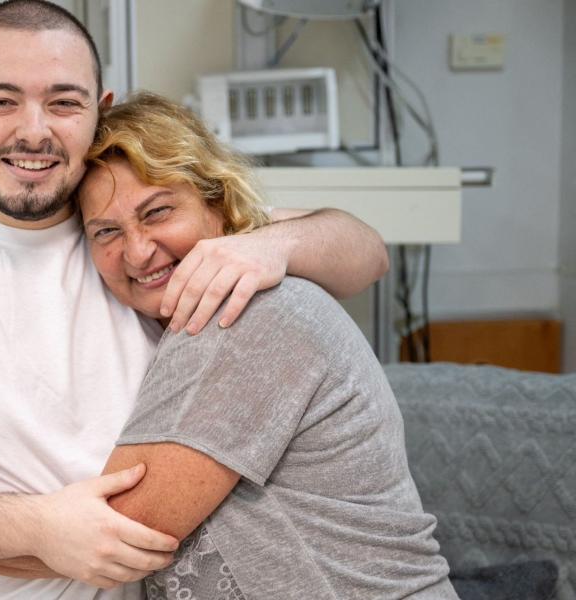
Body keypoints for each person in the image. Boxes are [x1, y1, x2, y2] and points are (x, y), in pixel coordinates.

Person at [0, 2, 389, 599]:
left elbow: (364, 250)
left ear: (97, 113)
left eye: (63, 102)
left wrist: (273, 245)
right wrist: (36, 527)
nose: (33, 130)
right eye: (0, 101)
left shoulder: (137, 243)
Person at [66, 92, 456, 598]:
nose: (138, 250)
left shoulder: (242, 309)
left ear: (219, 205)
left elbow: (118, 533)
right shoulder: (169, 304)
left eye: (159, 212)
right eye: (107, 231)